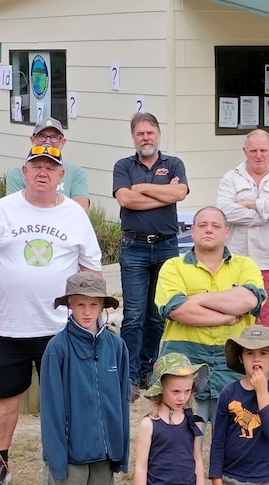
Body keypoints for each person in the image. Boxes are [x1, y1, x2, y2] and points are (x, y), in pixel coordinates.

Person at [0, 144, 102, 484]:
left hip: (61, 329)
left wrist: (90, 316)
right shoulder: (2, 210)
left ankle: (66, 460)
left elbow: (92, 270)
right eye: (36, 166)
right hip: (9, 326)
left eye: (50, 167)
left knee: (67, 400)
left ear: (61, 175)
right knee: (4, 399)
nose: (42, 172)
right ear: (25, 172)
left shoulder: (74, 214)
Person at [155, 206, 265, 427]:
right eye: (203, 225)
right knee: (179, 441)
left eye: (216, 226)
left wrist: (197, 298)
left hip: (232, 364)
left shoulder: (246, 265)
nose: (209, 230)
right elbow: (177, 310)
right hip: (183, 362)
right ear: (192, 230)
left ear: (227, 232)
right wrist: (225, 317)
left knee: (236, 442)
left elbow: (248, 301)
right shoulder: (172, 267)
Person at [113, 112, 189, 400]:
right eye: (140, 133)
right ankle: (129, 377)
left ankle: (147, 369)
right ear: (134, 137)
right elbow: (125, 199)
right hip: (135, 248)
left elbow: (179, 193)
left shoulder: (174, 163)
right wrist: (163, 192)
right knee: (133, 316)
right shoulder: (123, 166)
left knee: (158, 316)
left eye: (150, 132)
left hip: (167, 248)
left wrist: (143, 188)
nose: (146, 137)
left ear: (158, 135)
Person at [41, 272, 130, 484]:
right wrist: (57, 461)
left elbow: (123, 403)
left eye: (93, 304)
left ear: (102, 306)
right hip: (72, 456)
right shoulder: (57, 348)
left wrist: (121, 453)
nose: (87, 311)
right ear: (70, 305)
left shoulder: (117, 347)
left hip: (106, 454)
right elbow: (51, 410)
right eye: (80, 304)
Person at [216, 129, 269, 330]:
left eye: (263, 150)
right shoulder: (231, 178)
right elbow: (224, 211)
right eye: (253, 151)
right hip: (238, 263)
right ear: (245, 151)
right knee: (239, 324)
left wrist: (251, 203)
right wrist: (266, 213)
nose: (258, 155)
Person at [210, 326, 269, 485]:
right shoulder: (228, 392)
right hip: (233, 477)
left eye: (263, 353)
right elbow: (218, 440)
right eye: (249, 353)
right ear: (240, 358)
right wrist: (216, 478)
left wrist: (262, 391)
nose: (256, 359)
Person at [135, 353, 209, 485]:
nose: (182, 397)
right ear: (161, 389)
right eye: (175, 391)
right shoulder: (149, 424)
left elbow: (197, 459)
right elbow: (141, 466)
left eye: (187, 391)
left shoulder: (194, 422)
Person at [4, 117, 91, 212]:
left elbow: (81, 208)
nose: (48, 142)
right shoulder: (17, 173)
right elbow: (15, 208)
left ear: (63, 142)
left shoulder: (76, 173)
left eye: (54, 137)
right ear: (33, 140)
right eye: (42, 136)